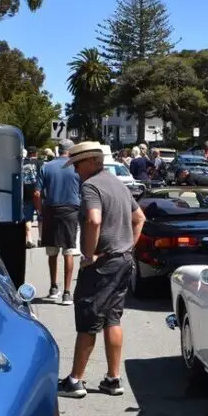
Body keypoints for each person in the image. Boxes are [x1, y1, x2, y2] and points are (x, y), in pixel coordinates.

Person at [57, 141, 145, 398]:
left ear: (91, 161)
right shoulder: (118, 183)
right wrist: (128, 246)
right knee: (112, 318)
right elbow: (139, 218)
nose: (75, 171)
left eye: (77, 165)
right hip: (123, 260)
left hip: (103, 263)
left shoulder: (91, 185)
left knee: (88, 318)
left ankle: (75, 380)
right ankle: (113, 379)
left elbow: (93, 220)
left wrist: (89, 254)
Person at [39, 139, 82, 304]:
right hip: (71, 211)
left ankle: (53, 287)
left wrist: (40, 211)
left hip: (51, 210)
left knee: (52, 252)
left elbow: (37, 193)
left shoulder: (47, 167)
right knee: (69, 251)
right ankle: (67, 292)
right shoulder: (76, 167)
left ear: (59, 150)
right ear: (71, 151)